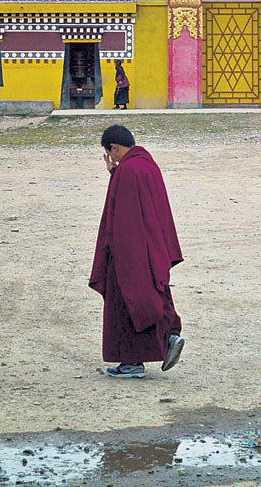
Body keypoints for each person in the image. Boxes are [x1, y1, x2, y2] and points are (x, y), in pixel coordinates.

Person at [90, 125, 185, 378]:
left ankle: (132, 363)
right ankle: (170, 336)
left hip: (131, 250)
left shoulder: (128, 171)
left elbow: (123, 217)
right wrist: (115, 173)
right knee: (153, 292)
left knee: (127, 299)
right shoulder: (146, 164)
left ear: (114, 148)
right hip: (152, 247)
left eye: (112, 154)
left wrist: (117, 256)